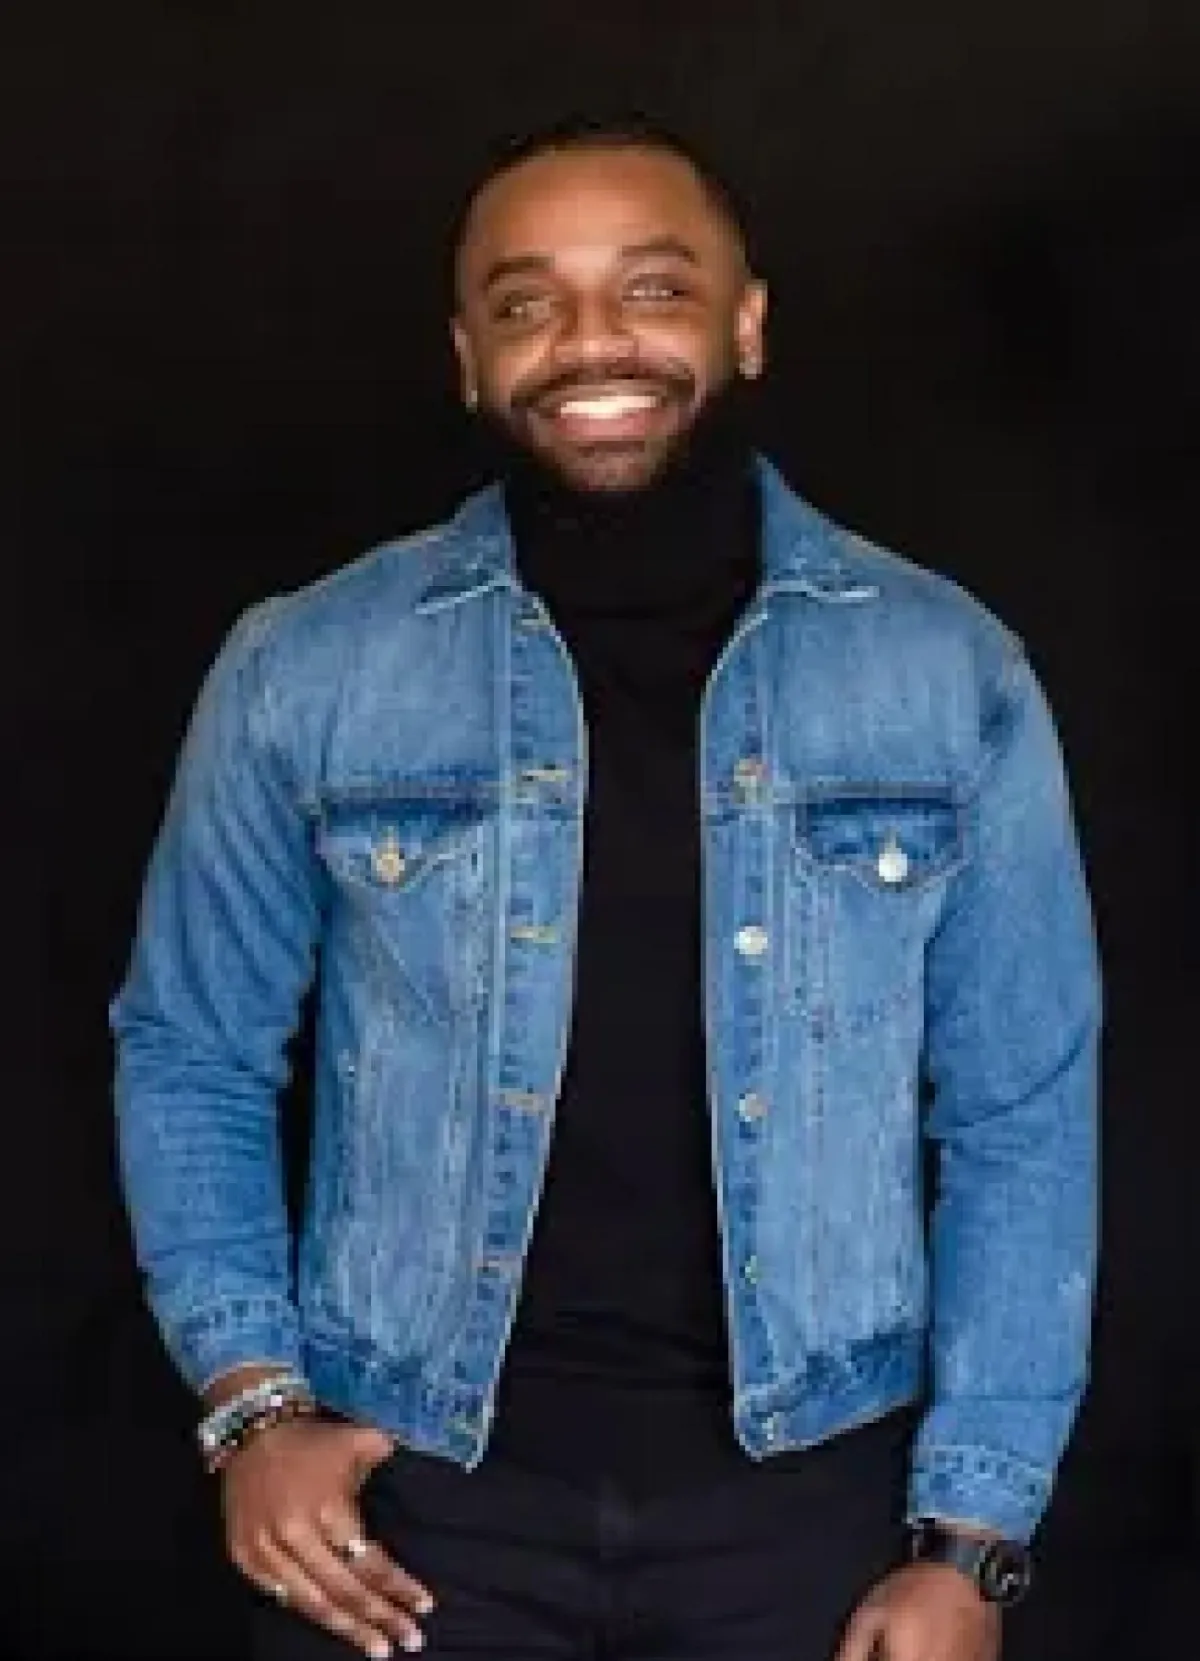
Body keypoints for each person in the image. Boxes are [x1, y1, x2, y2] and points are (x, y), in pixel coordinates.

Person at [111, 116, 1101, 1661]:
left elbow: (1021, 1116)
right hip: (409, 1512)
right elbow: (191, 1049)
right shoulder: (306, 666)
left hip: (812, 1513)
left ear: (745, 321)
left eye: (650, 287)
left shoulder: (945, 670)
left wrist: (970, 1544)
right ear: (467, 355)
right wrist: (253, 1412)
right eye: (527, 303)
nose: (590, 342)